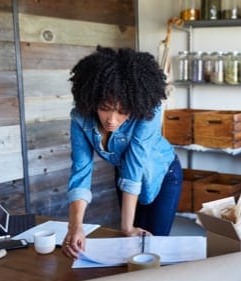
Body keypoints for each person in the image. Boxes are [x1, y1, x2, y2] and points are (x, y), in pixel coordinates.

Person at [62, 46, 182, 259]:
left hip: (163, 176)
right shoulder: (80, 119)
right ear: (92, 99)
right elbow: (81, 171)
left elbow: (136, 163)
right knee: (130, 249)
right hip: (125, 177)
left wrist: (127, 226)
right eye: (105, 107)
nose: (112, 119)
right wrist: (75, 227)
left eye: (122, 112)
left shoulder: (148, 112)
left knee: (153, 248)